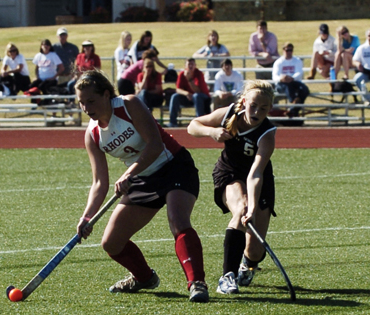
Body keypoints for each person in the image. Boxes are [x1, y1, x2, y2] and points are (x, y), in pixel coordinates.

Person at [74, 69, 209, 303]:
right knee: (111, 242)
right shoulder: (93, 135)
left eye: (91, 101)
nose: (86, 108)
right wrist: (87, 217)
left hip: (174, 166)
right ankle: (144, 278)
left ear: (106, 95)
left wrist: (128, 173)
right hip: (142, 179)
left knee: (178, 221)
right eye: (81, 103)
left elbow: (155, 144)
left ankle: (197, 283)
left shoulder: (129, 105)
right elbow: (99, 182)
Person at [187, 80, 277, 296]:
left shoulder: (267, 134)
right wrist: (211, 132)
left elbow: (256, 174)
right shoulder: (229, 113)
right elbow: (193, 126)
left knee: (255, 250)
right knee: (241, 209)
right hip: (229, 173)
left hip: (258, 178)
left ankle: (247, 263)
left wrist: (254, 207)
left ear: (269, 109)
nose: (256, 112)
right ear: (244, 101)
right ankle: (227, 277)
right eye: (253, 105)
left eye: (263, 108)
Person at [168, 58, 211, 127]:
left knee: (196, 96)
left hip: (202, 98)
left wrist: (189, 80)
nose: (190, 66)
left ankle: (199, 121)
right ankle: (172, 122)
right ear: (185, 66)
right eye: (189, 64)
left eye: (192, 64)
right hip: (188, 97)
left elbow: (198, 91)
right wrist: (187, 93)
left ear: (195, 65)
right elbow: (178, 89)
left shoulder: (199, 74)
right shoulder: (182, 74)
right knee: (175, 96)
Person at [272, 42, 310, 117]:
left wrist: (292, 78)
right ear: (283, 50)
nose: (289, 52)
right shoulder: (278, 62)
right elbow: (274, 76)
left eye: (290, 50)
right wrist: (281, 78)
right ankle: (294, 103)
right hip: (281, 84)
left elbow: (299, 72)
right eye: (287, 50)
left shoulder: (297, 61)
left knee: (304, 89)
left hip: (294, 81)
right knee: (287, 87)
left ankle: (292, 109)